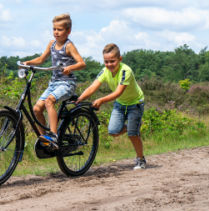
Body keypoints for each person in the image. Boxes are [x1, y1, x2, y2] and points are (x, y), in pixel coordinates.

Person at [76, 43, 146, 170]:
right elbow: (92, 87)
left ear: (120, 59)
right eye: (106, 62)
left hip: (135, 104)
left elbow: (118, 92)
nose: (109, 65)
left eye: (112, 61)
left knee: (132, 134)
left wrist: (101, 100)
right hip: (120, 104)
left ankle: (140, 159)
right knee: (113, 132)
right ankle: (134, 126)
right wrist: (79, 99)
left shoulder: (126, 71)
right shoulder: (104, 71)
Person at [23, 13, 86, 149]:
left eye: (60, 29)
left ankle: (54, 135)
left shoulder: (69, 46)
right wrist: (28, 62)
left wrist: (70, 67)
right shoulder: (52, 44)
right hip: (54, 83)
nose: (56, 32)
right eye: (54, 29)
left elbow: (82, 63)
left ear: (68, 31)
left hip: (67, 83)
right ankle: (45, 141)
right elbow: (41, 59)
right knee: (36, 109)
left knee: (49, 101)